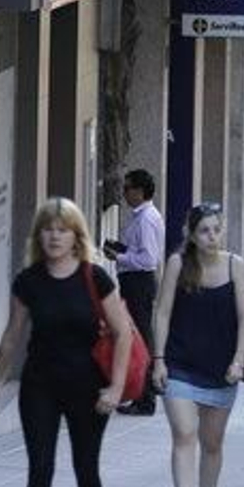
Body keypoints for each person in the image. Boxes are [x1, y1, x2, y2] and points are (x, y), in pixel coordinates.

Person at [0, 198, 134, 487]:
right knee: (40, 470)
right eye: (48, 229)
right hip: (41, 386)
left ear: (75, 236)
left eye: (63, 230)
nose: (54, 236)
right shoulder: (29, 281)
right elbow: (12, 336)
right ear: (39, 235)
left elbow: (122, 332)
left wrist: (115, 387)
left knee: (86, 469)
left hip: (88, 388)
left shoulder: (94, 277)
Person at [151, 202, 244, 487]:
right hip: (180, 364)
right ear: (192, 235)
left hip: (221, 369)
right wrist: (159, 359)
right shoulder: (178, 264)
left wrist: (239, 360)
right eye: (204, 231)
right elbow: (162, 312)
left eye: (216, 230)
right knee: (184, 433)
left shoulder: (236, 265)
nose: (212, 236)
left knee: (212, 443)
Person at [103, 168, 165, 415]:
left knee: (141, 337)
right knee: (137, 335)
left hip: (139, 282)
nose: (124, 193)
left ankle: (146, 398)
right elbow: (138, 250)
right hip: (133, 281)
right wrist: (122, 249)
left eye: (128, 188)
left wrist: (119, 257)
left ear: (140, 191)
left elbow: (148, 259)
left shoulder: (147, 218)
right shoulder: (141, 215)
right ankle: (141, 393)